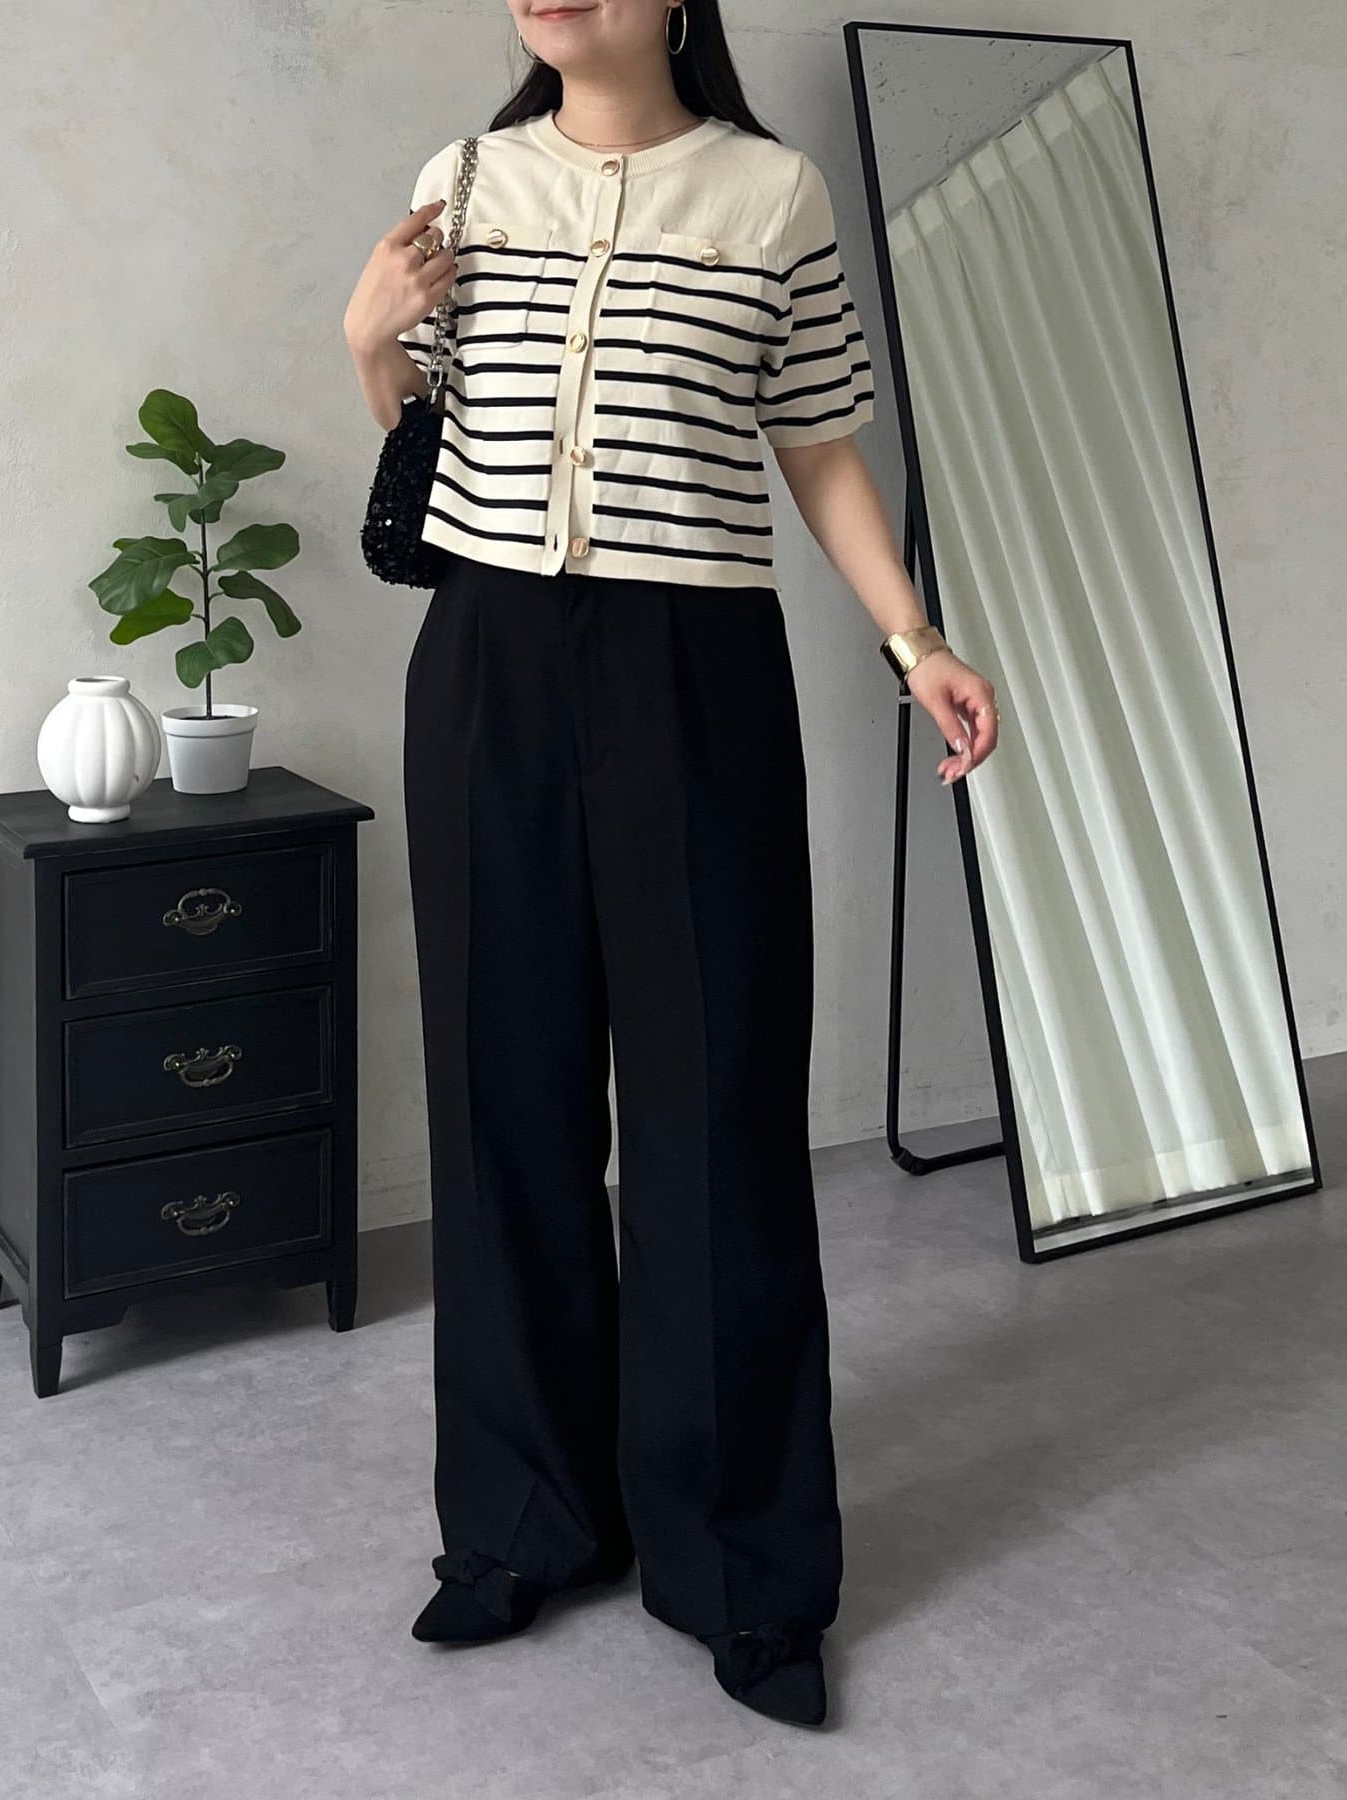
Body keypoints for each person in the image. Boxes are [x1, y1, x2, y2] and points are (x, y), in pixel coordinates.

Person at [344, 0, 999, 1729]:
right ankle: (521, 1522)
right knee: (503, 1097)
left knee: (717, 1111)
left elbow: (818, 445)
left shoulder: (771, 196)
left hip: (694, 669)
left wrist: (917, 638)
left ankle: (743, 1564)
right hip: (486, 666)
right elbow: (421, 437)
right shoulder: (462, 180)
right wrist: (364, 344)